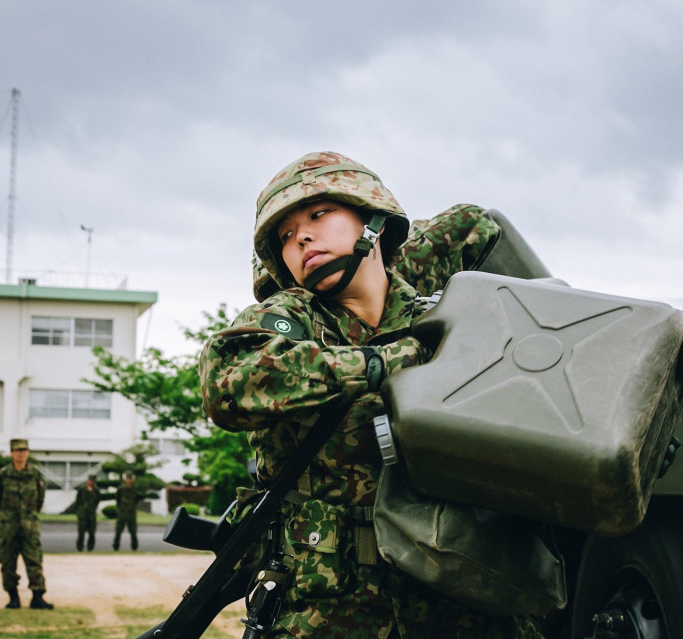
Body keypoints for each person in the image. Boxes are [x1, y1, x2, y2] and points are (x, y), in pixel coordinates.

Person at [199, 152, 538, 638]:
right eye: (286, 235)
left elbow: (476, 232)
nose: (303, 238)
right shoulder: (292, 317)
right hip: (329, 611)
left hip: (461, 598)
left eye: (318, 215)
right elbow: (226, 383)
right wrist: (379, 364)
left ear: (372, 219)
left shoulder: (445, 312)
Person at [0, 438, 54, 610]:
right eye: (18, 451)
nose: (21, 454)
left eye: (24, 450)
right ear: (11, 453)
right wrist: (7, 516)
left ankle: (37, 597)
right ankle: (13, 598)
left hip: (29, 527)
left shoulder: (35, 475)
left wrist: (29, 517)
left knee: (34, 561)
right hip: (8, 527)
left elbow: (40, 500)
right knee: (8, 563)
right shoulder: (3, 475)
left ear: (28, 452)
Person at [112, 472, 140, 551]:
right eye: (128, 479)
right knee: (118, 531)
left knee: (133, 532)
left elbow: (136, 499)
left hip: (131, 514)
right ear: (125, 479)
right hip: (122, 513)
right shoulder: (121, 489)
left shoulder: (135, 488)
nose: (129, 480)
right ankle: (116, 546)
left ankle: (134, 547)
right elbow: (117, 500)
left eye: (130, 479)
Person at [72, 475, 101, 552]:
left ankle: (90, 547)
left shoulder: (96, 491)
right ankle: (80, 547)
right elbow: (77, 501)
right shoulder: (82, 490)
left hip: (91, 514)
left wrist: (93, 508)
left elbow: (97, 500)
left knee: (92, 532)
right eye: (89, 480)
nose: (90, 482)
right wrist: (79, 512)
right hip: (83, 514)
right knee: (81, 532)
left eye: (92, 481)